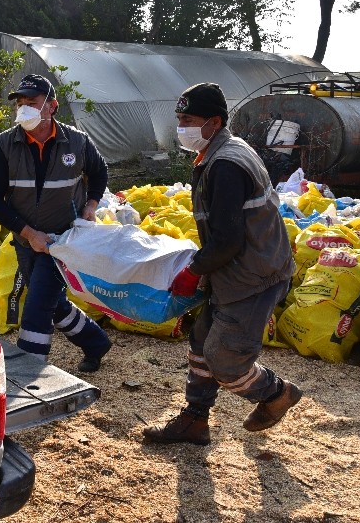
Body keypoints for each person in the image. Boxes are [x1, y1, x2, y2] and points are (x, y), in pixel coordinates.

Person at [142, 82, 302, 446]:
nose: (181, 127)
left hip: (253, 275)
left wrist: (193, 271)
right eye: (180, 119)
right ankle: (195, 420)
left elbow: (228, 240)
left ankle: (277, 393)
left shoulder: (226, 164)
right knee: (201, 343)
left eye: (189, 120)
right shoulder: (219, 153)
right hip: (238, 268)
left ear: (214, 122)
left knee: (225, 359)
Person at [0, 74, 112, 372]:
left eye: (31, 102)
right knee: (53, 303)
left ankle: (27, 370)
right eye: (20, 103)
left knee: (38, 303)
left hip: (63, 240)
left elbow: (99, 171)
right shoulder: (5, 145)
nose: (24, 109)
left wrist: (91, 204)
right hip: (26, 240)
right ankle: (96, 343)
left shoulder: (76, 142)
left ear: (51, 106)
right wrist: (29, 234)